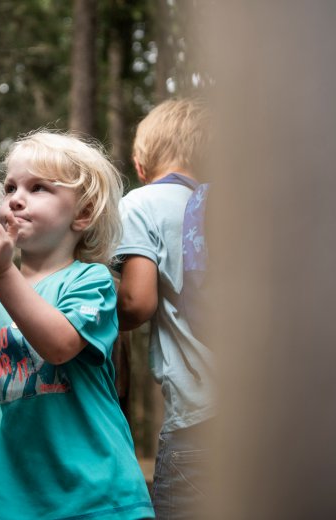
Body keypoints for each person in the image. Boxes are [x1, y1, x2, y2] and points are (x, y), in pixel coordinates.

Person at [0, 131, 154, 520]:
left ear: (83, 214)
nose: (15, 198)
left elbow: (59, 344)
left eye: (39, 187)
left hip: (98, 500)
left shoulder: (89, 282)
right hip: (12, 506)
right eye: (10, 187)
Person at [114, 98, 215, 519]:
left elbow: (137, 303)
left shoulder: (142, 204)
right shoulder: (233, 210)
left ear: (140, 164)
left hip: (198, 419)